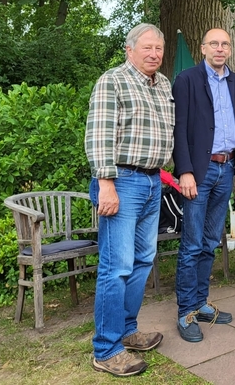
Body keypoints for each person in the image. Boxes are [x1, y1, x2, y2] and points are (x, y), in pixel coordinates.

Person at [85, 23, 175, 377]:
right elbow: (99, 134)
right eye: (148, 48)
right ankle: (106, 348)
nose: (154, 54)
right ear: (130, 49)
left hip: (153, 182)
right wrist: (105, 183)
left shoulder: (164, 84)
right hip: (121, 181)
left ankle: (126, 331)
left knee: (142, 260)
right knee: (117, 265)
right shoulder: (113, 81)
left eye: (159, 49)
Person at [173, 28, 235, 343]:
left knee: (209, 243)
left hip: (226, 168)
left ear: (229, 49)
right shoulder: (188, 79)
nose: (220, 48)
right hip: (199, 173)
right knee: (191, 244)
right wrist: (185, 170)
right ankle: (185, 312)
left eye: (225, 44)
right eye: (214, 43)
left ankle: (201, 303)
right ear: (203, 47)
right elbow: (179, 129)